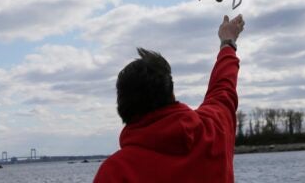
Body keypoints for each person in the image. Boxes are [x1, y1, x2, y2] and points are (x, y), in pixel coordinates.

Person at [94, 14, 245, 183]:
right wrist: (228, 42)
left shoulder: (115, 172)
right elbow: (223, 88)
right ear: (171, 94)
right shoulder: (214, 130)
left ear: (122, 107)